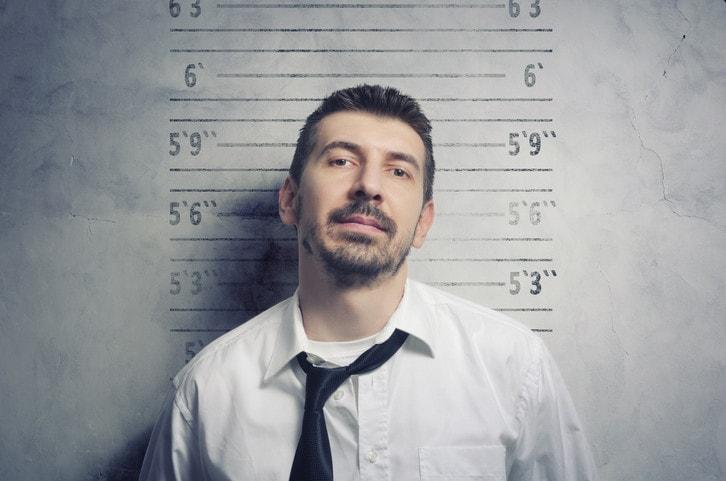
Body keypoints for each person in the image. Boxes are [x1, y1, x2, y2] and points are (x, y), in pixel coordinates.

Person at [139, 84, 598, 480]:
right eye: (341, 161)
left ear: (423, 223)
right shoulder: (206, 393)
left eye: (398, 171)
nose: (368, 186)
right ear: (291, 200)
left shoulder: (515, 369)